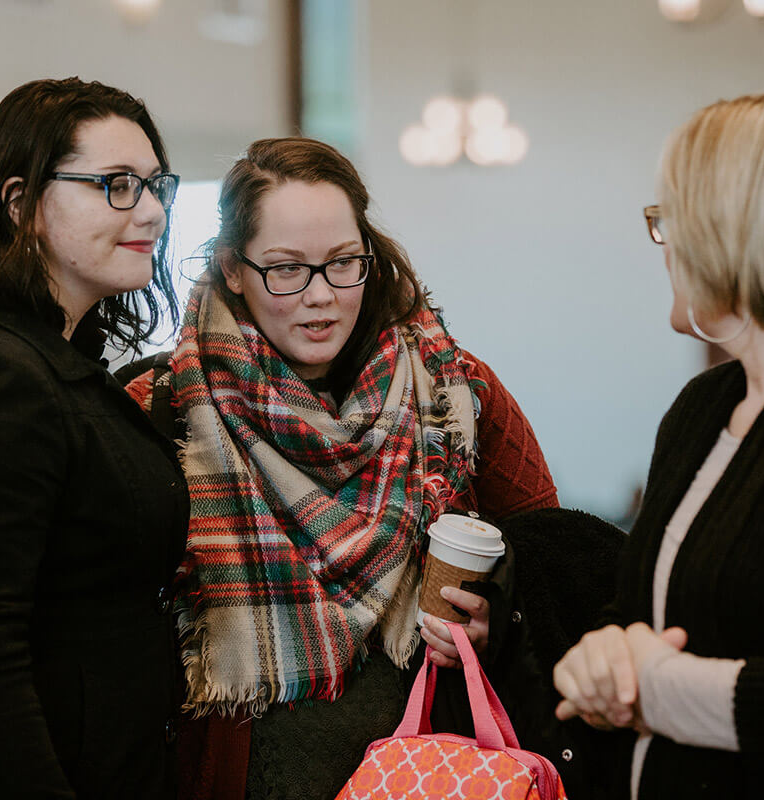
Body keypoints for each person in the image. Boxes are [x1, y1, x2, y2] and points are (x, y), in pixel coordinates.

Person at [124, 136, 560, 799]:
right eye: (286, 269)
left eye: (341, 263)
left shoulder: (454, 391)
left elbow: (560, 566)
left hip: (422, 777)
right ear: (232, 268)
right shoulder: (164, 404)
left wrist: (494, 615)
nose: (320, 296)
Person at [552, 94, 764, 798]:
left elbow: (671, 669)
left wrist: (663, 689)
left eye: (667, 219)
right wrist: (599, 655)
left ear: (724, 231)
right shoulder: (700, 409)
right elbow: (646, 605)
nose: (665, 246)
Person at [0, 77, 189, 798]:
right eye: (116, 185)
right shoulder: (5, 373)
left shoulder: (66, 364)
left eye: (155, 185)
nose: (153, 213)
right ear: (21, 205)